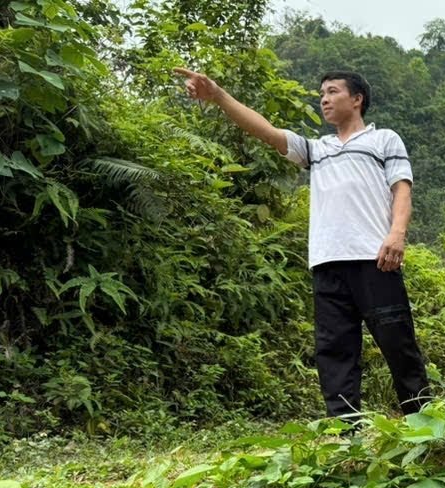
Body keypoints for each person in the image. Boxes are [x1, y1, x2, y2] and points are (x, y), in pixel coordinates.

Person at [174, 68, 430, 417]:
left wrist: (397, 234)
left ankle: (424, 425)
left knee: (398, 344)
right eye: (321, 92)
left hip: (375, 258)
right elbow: (265, 131)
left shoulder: (384, 140)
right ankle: (344, 434)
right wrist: (218, 96)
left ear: (357, 100)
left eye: (333, 91)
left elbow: (401, 189)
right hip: (326, 263)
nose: (323, 98)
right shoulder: (317, 149)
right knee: (334, 350)